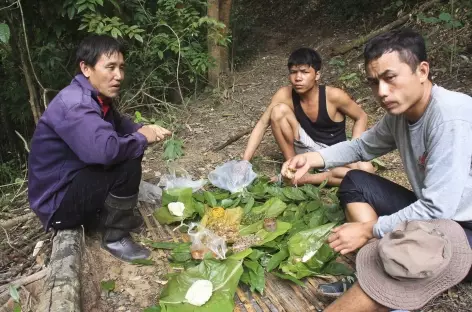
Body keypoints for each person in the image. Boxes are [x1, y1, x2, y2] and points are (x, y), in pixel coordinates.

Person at [282, 28, 472, 311]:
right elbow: (360, 147)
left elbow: (438, 210)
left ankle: (391, 285)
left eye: (390, 78)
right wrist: (313, 159)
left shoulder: (450, 117)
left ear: (422, 71)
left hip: (463, 229)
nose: (382, 92)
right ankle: (384, 266)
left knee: (412, 240)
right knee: (356, 180)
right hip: (438, 217)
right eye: (374, 82)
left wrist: (369, 229)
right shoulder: (401, 114)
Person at [28, 34, 171, 262]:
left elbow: (120, 124)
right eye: (110, 67)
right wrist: (142, 138)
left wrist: (143, 128)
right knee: (126, 162)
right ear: (86, 68)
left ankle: (107, 216)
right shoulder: (76, 104)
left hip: (70, 182)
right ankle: (114, 236)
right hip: (56, 204)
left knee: (129, 146)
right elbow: (105, 151)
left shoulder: (96, 97)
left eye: (121, 67)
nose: (119, 76)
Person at [242, 47, 374, 186]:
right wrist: (245, 162)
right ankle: (292, 170)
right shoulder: (284, 95)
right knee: (278, 111)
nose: (298, 78)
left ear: (317, 75)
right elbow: (262, 124)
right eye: (293, 72)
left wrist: (354, 146)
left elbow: (361, 116)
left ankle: (303, 179)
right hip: (304, 147)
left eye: (304, 72)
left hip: (334, 150)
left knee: (366, 170)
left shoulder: (334, 96)